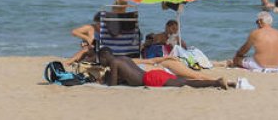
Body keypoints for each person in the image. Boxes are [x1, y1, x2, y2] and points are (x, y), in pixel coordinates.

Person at [97, 47, 234, 89]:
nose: (101, 63)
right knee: (184, 81)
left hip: (150, 79)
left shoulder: (114, 63)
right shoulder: (123, 58)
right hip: (153, 74)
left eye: (100, 60)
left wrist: (107, 77)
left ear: (105, 56)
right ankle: (226, 83)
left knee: (186, 83)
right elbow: (129, 75)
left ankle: (217, 82)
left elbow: (113, 85)